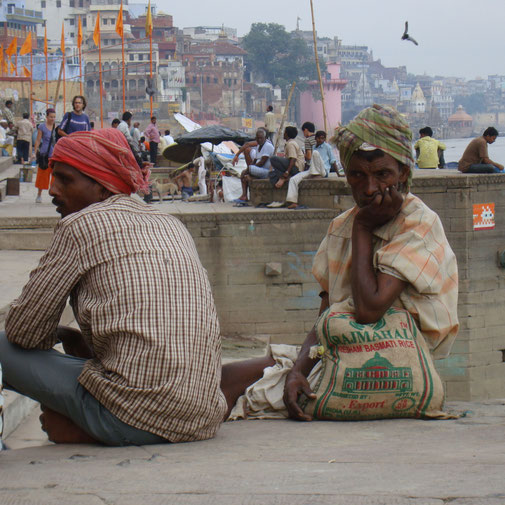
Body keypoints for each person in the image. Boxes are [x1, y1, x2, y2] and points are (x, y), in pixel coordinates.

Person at [220, 104, 458, 422]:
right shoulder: (340, 227)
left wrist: (362, 228)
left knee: (243, 393)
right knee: (225, 377)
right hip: (342, 348)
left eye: (382, 175)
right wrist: (299, 369)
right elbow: (327, 315)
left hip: (395, 358)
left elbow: (369, 309)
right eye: (358, 175)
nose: (369, 188)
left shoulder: (418, 224)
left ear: (403, 172)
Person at [0, 128, 226, 446]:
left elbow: (24, 334)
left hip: (132, 415)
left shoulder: (79, 226)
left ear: (101, 185)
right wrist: (69, 336)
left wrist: (59, 334)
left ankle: (84, 425)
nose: (52, 190)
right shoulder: (170, 223)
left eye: (65, 179)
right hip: (202, 416)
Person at [285, 130, 338, 209]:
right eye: (319, 138)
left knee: (315, 153)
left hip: (323, 171)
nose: (321, 140)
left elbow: (333, 161)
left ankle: (316, 174)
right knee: (294, 179)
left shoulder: (327, 147)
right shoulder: (313, 147)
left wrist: (338, 173)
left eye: (323, 139)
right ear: (316, 138)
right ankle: (293, 201)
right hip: (312, 170)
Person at [233, 128, 275, 202]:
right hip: (260, 170)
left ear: (265, 138)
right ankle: (244, 196)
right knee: (245, 175)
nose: (259, 140)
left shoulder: (268, 146)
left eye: (261, 138)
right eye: (258, 138)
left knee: (247, 170)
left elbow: (262, 162)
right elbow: (255, 160)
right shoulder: (259, 146)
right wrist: (249, 169)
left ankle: (245, 195)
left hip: (267, 171)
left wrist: (250, 169)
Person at [33, 108, 57, 203]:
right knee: (42, 176)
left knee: (55, 177)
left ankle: (55, 195)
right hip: (44, 155)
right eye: (51, 117)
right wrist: (35, 152)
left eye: (54, 117)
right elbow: (38, 140)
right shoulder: (42, 127)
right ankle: (39, 194)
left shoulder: (56, 127)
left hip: (54, 155)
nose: (52, 119)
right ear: (47, 117)